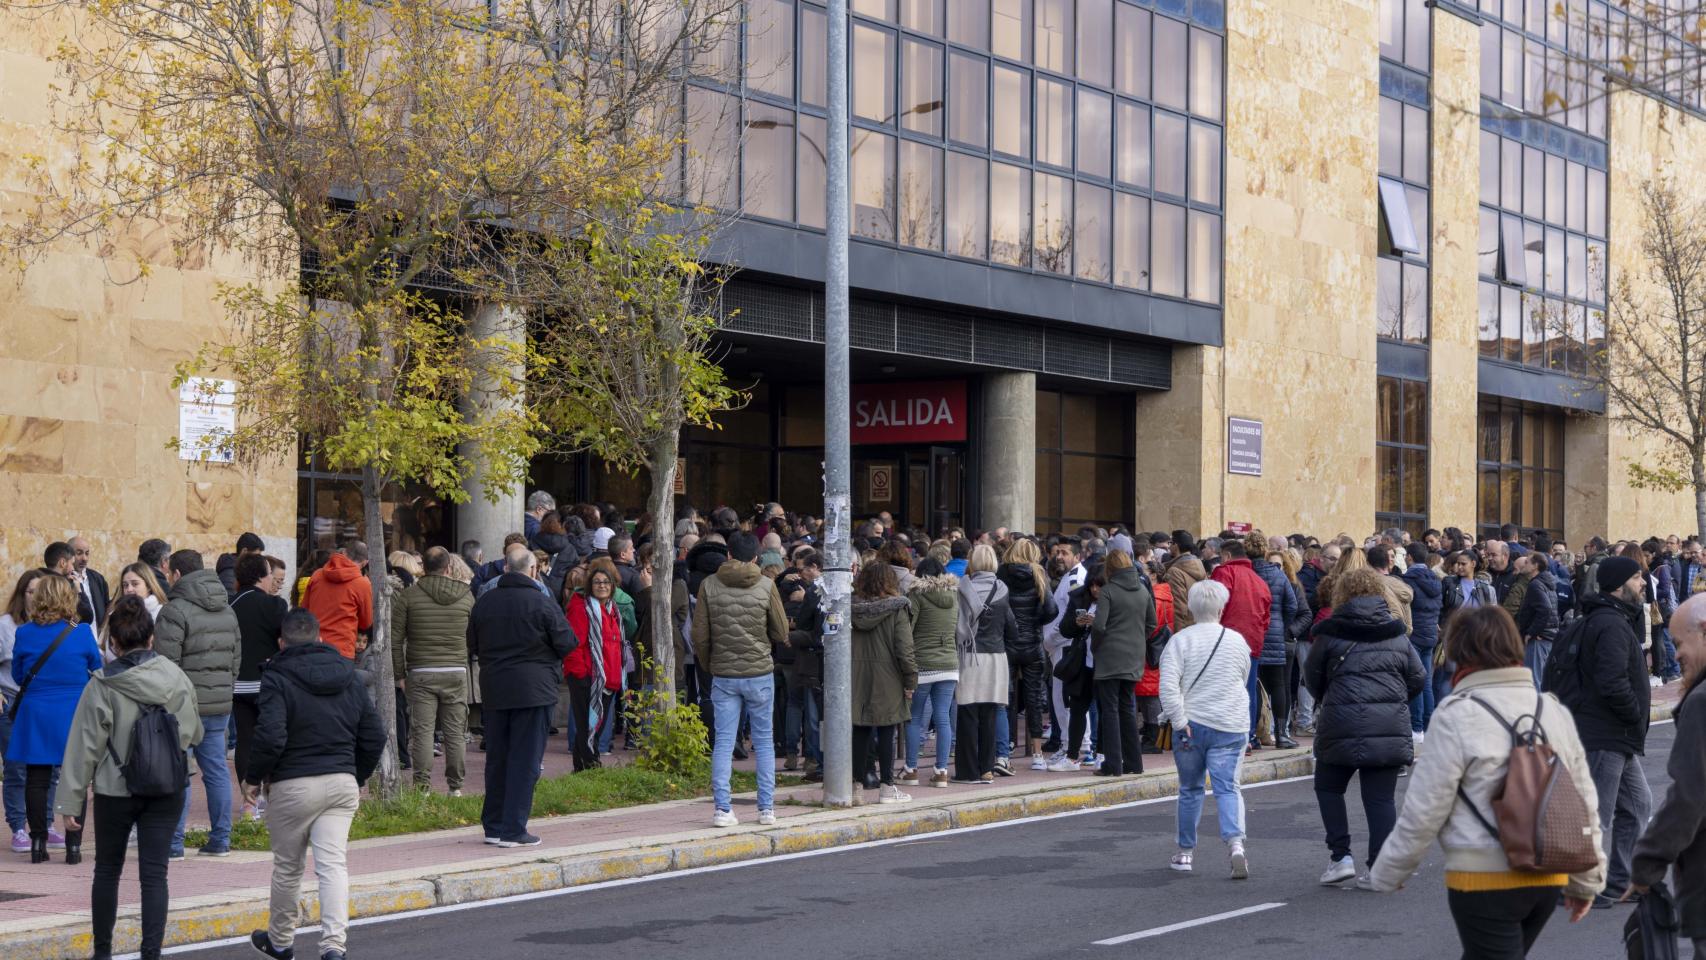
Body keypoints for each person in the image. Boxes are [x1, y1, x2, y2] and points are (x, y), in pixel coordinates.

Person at [1368, 605, 1603, 957]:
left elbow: (1427, 807)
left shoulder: (1456, 713)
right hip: (1548, 874)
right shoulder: (1551, 709)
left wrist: (1390, 871)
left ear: (1459, 652)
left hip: (1484, 877)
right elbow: (1583, 802)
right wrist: (1588, 881)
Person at [54, 596, 202, 960]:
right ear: (151, 639)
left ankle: (102, 951)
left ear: (114, 644)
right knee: (155, 875)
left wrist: (71, 802)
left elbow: (83, 747)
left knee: (107, 869)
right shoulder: (176, 678)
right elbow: (192, 733)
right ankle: (151, 952)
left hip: (114, 788)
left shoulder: (102, 685)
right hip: (167, 788)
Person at [246, 610, 384, 960]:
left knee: (288, 868)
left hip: (292, 784)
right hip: (340, 781)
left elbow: (271, 736)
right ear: (320, 639)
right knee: (333, 866)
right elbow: (374, 734)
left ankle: (280, 942)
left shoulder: (276, 676)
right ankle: (334, 947)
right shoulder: (349, 676)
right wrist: (357, 775)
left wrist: (252, 777)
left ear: (282, 643)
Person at [1305, 567, 1426, 889]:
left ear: (1341, 594)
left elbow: (1312, 677)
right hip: (1388, 723)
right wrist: (1394, 699)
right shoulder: (1396, 632)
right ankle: (1380, 868)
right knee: (1380, 799)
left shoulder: (1329, 632)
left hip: (1339, 721)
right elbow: (1418, 677)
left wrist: (1331, 698)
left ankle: (1340, 856)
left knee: (1329, 787)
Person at [1549, 554, 1653, 907]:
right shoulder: (1609, 623)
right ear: (1618, 585)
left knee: (1638, 805)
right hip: (1605, 733)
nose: (1643, 584)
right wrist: (1634, 713)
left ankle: (1620, 881)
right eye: (1637, 578)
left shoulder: (1613, 619)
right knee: (1596, 815)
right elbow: (1612, 682)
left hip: (1616, 735)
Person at [465, 549, 576, 846]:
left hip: (495, 688)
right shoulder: (542, 602)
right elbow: (567, 642)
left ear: (504, 568)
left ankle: (494, 826)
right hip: (534, 689)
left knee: (498, 757)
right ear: (533, 571)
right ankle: (514, 828)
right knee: (525, 759)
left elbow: (472, 644)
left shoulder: (484, 602)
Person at [6, 574, 102, 863]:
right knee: (75, 777)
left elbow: (18, 674)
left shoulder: (24, 633)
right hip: (73, 710)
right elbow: (95, 668)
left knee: (36, 778)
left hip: (36, 710)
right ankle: (73, 846)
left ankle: (37, 842)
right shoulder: (82, 632)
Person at [1160, 580, 1253, 878]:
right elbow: (1242, 677)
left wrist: (1179, 720)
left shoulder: (1180, 641)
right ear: (1221, 607)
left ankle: (1185, 853)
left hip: (1192, 725)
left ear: (1190, 606)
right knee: (1228, 787)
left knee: (1190, 789)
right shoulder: (1237, 641)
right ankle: (1235, 844)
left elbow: (1168, 686)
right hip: (1230, 723)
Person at [691, 532, 786, 826]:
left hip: (724, 674)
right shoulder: (767, 584)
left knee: (723, 742)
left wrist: (710, 665)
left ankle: (722, 808)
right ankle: (766, 808)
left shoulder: (708, 585)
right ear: (756, 558)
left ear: (728, 555)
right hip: (759, 672)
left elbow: (700, 635)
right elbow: (781, 631)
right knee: (764, 741)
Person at [1630, 593, 1706, 954]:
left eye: (1678, 643)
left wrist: (1647, 863)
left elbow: (1690, 795)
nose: (1675, 655)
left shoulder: (1703, 701)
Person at [153, 549, 241, 859]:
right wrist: (224, 690)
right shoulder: (227, 609)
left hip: (182, 707)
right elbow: (235, 659)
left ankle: (175, 843)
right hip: (218, 705)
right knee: (216, 771)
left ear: (176, 574)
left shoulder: (174, 611)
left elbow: (166, 664)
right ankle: (221, 839)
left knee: (181, 772)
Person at [391, 546, 474, 795]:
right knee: (455, 732)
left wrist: (399, 675)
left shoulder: (409, 596)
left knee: (423, 731)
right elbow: (473, 634)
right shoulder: (467, 596)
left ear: (422, 567)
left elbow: (396, 640)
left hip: (421, 671)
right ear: (448, 567)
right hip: (456, 670)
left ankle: (422, 787)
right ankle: (456, 788)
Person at [849, 563, 917, 805]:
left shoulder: (849, 608)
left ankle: (856, 787)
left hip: (854, 675)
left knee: (859, 730)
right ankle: (887, 786)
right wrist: (911, 680)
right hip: (888, 677)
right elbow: (905, 650)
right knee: (888, 731)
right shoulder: (898, 609)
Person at [953, 544, 1018, 783]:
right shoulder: (1002, 588)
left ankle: (967, 771)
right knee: (990, 714)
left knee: (967, 714)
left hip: (969, 656)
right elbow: (1012, 627)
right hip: (996, 657)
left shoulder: (963, 587)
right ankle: (986, 769)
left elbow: (957, 624)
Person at [230, 554, 287, 820]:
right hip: (268, 683)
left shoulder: (230, 604)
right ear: (262, 577)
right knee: (272, 738)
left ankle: (248, 800)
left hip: (238, 683)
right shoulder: (274, 605)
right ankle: (268, 791)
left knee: (245, 739)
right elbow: (283, 639)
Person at [2, 568, 53, 852]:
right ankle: (18, 827)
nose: (35, 597)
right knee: (16, 768)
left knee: (49, 769)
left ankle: (46, 823)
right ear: (22, 594)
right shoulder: (6, 626)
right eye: (31, 591)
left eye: (40, 591)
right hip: (12, 703)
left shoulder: (52, 627)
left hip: (42, 705)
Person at [1092, 549, 1155, 777]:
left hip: (1109, 656)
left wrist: (1096, 645)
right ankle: (1133, 762)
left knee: (1109, 710)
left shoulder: (1108, 591)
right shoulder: (1142, 590)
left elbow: (1099, 626)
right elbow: (1152, 622)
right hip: (1134, 655)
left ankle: (1112, 764)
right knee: (1128, 708)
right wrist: (1138, 640)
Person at [997, 538, 1059, 769]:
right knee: (1033, 698)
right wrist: (1036, 622)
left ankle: (1005, 747)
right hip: (1032, 643)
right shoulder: (1038, 574)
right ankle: (1037, 754)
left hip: (1007, 642)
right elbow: (1052, 609)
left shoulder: (1002, 573)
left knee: (1006, 697)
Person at [564, 559, 627, 772]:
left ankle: (584, 769)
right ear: (590, 584)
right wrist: (581, 676)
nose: (601, 586)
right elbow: (574, 645)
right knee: (587, 727)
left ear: (612, 586)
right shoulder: (581, 608)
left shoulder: (613, 609)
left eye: (606, 582)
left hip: (607, 679)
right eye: (597, 582)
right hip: (586, 678)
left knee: (596, 728)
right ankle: (588, 768)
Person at [1209, 539, 1270, 751]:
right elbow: (1266, 617)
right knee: (1248, 690)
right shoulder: (1259, 580)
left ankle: (1226, 736)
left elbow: (1215, 606)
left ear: (1225, 556)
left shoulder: (1224, 573)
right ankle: (1249, 736)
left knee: (1223, 689)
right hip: (1252, 642)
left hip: (1225, 640)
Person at [902, 559, 958, 789]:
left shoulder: (916, 595)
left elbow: (907, 629)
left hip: (922, 664)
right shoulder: (953, 596)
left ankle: (911, 770)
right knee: (943, 716)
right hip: (949, 663)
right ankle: (941, 771)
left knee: (915, 717)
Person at [1248, 532, 1305, 749]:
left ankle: (1255, 734)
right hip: (1276, 637)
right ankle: (1282, 735)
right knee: (1278, 686)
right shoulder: (1277, 574)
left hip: (1252, 637)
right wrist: (1281, 625)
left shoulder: (1247, 572)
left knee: (1254, 685)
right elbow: (1292, 605)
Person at [300, 542, 374, 661]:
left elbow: (304, 610)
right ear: (365, 562)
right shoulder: (363, 584)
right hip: (342, 650)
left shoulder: (317, 575)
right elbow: (366, 622)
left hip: (313, 645)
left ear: (344, 553)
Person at [1400, 542, 1444, 736]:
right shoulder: (1436, 579)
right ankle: (1428, 726)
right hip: (1430, 635)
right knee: (1426, 682)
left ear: (1409, 557)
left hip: (1415, 634)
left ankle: (1416, 727)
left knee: (1415, 681)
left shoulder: (1408, 579)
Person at [1513, 552, 1559, 688]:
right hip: (1546, 637)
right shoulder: (1546, 583)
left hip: (1539, 639)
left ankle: (1536, 709)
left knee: (1534, 682)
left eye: (1527, 562)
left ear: (1535, 566)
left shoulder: (1536, 584)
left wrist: (1532, 632)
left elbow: (1545, 609)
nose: (1524, 564)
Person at [45, 541, 97, 625]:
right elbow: (87, 617)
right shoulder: (68, 586)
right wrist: (79, 591)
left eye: (87, 553)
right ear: (62, 563)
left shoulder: (35, 581)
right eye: (72, 563)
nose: (73, 568)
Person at [68, 536, 111, 630]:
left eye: (87, 553)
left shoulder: (98, 578)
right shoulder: (65, 581)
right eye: (79, 553)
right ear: (69, 555)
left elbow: (106, 607)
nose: (84, 558)